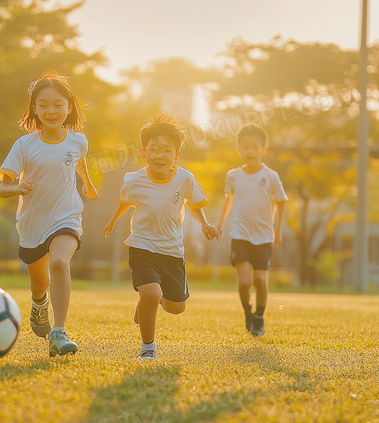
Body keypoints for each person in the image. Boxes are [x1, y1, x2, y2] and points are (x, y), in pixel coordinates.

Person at [0, 70, 99, 357]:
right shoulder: (25, 145)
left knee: (59, 262)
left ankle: (59, 330)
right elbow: (2, 189)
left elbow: (79, 165)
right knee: (39, 283)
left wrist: (88, 186)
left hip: (67, 215)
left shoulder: (78, 140)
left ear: (69, 107)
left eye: (57, 105)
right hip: (32, 223)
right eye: (43, 105)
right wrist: (17, 188)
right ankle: (39, 302)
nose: (51, 111)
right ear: (34, 109)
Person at [103, 113, 220, 361]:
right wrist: (112, 222)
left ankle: (145, 305)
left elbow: (194, 204)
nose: (159, 155)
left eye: (166, 150)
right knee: (152, 293)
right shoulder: (134, 180)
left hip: (172, 251)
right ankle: (148, 347)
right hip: (142, 247)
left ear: (176, 155)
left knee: (176, 307)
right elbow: (125, 202)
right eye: (154, 149)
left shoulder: (185, 178)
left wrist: (206, 224)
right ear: (144, 152)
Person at [217, 123, 288, 337]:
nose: (250, 151)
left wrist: (278, 230)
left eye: (255, 147)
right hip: (240, 234)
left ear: (263, 150)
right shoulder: (233, 176)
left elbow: (282, 201)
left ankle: (260, 316)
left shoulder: (271, 176)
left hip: (264, 236)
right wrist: (220, 224)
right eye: (245, 147)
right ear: (239, 150)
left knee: (260, 280)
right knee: (245, 281)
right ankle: (248, 311)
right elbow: (229, 201)